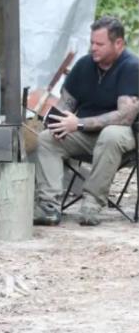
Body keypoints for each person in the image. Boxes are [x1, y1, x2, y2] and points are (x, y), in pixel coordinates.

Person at [34, 16, 139, 226]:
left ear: (118, 43)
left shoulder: (132, 67)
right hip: (86, 136)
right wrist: (54, 121)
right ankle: (48, 206)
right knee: (47, 139)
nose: (93, 48)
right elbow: (65, 105)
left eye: (100, 44)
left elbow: (125, 116)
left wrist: (79, 123)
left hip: (124, 135)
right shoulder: (84, 65)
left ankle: (92, 203)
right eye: (92, 42)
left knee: (110, 134)